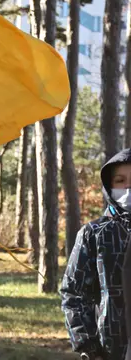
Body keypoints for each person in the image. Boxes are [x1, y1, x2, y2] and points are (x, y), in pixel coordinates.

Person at [62, 149, 131, 360]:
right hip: (112, 348)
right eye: (120, 180)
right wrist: (88, 346)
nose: (128, 187)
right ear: (109, 185)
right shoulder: (95, 233)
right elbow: (73, 293)